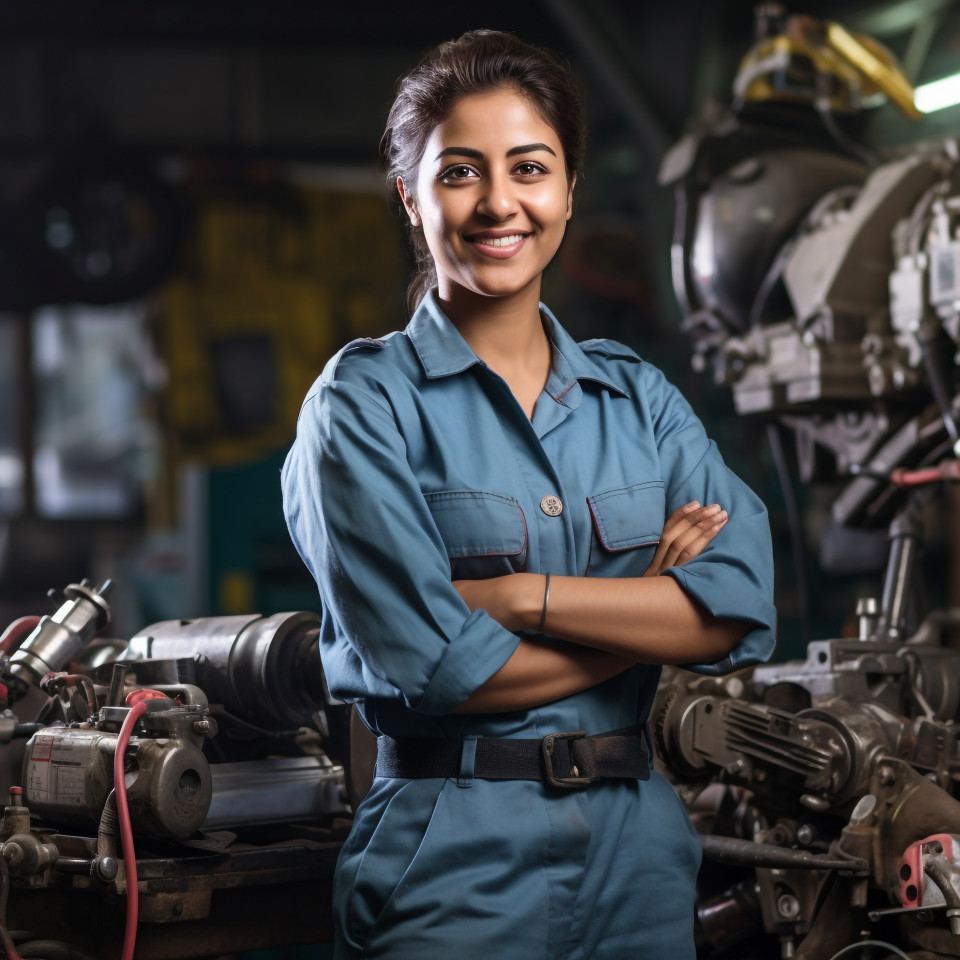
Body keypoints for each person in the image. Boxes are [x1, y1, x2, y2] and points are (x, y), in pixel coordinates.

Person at [282, 29, 776, 960]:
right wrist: (644, 628)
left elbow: (739, 605)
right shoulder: (361, 408)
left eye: (530, 168)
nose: (499, 203)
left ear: (569, 189)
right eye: (460, 172)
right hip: (450, 860)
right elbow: (437, 667)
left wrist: (520, 600)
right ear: (410, 195)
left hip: (641, 855)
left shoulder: (640, 401)